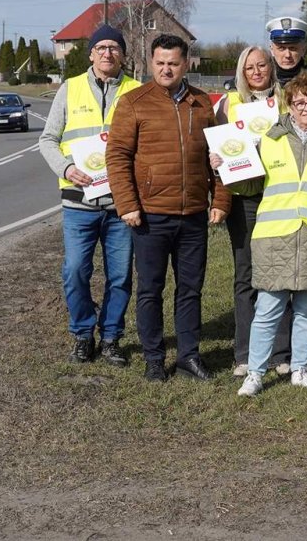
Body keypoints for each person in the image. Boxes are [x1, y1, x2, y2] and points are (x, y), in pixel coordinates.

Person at [210, 73, 307, 396]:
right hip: (274, 238)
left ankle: (300, 369)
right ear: (289, 105)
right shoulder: (270, 139)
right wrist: (224, 167)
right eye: (299, 101)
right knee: (267, 309)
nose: (306, 107)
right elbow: (250, 185)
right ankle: (255, 373)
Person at [105, 33, 230, 382]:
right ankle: (154, 360)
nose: (166, 69)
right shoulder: (133, 103)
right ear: (150, 62)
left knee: (190, 289)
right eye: (159, 63)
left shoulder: (203, 103)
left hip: (192, 215)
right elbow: (116, 157)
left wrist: (220, 200)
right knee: (150, 290)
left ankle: (189, 357)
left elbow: (220, 156)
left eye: (173, 63)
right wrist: (127, 204)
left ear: (186, 63)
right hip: (149, 215)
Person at [37, 24, 140, 365]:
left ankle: (110, 337)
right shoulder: (70, 88)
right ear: (91, 53)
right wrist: (66, 169)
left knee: (121, 275)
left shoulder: (136, 90)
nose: (108, 53)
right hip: (78, 202)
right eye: (102, 47)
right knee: (76, 270)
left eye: (114, 47)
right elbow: (47, 139)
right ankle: (83, 333)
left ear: (123, 54)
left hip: (121, 204)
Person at [216, 45, 294, 377]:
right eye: (250, 68)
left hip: (281, 196)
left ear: (271, 67)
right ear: (241, 73)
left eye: (262, 65)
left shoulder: (287, 99)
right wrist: (216, 159)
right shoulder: (228, 104)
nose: (257, 72)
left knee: (280, 274)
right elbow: (216, 146)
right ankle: (245, 354)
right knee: (245, 274)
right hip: (245, 198)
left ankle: (281, 353)